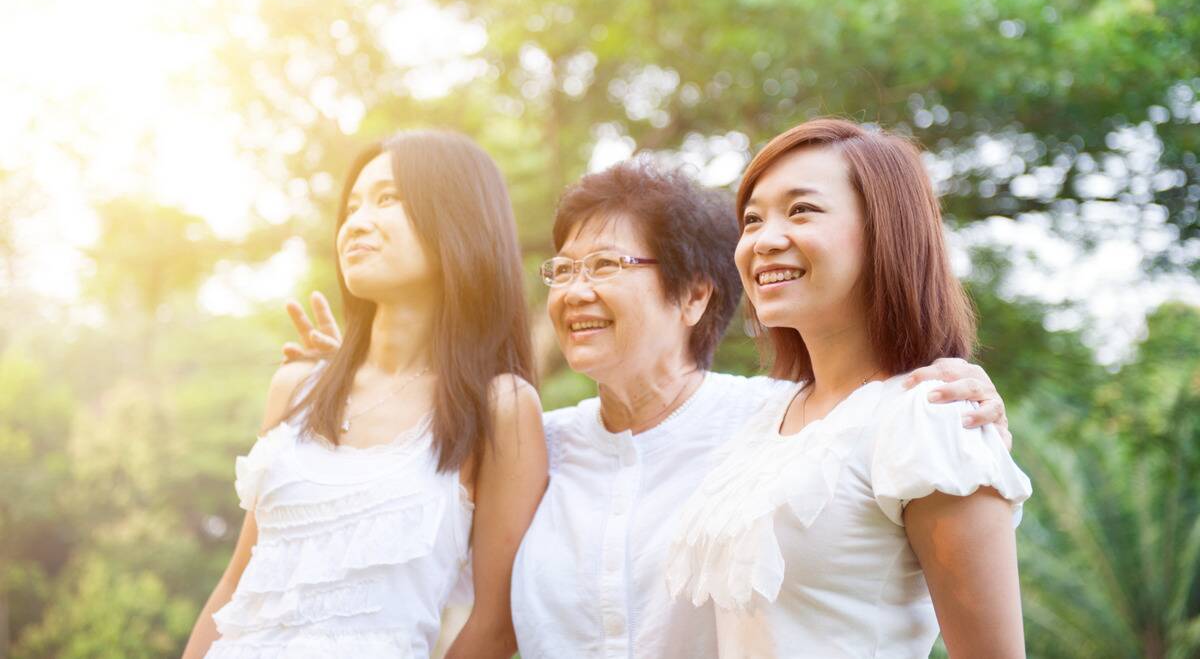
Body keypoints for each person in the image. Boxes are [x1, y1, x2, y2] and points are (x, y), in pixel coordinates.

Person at [284, 159, 1014, 658]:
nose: (573, 292)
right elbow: (386, 524)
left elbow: (882, 436)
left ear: (696, 294)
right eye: (563, 270)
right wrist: (361, 382)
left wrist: (962, 389)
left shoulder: (778, 430)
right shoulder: (529, 444)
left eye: (605, 265)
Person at [667, 118, 1031, 658]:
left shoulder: (932, 417)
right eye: (751, 220)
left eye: (801, 210)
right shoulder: (765, 421)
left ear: (886, 229)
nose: (764, 241)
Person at [182, 130, 547, 658]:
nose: (356, 222)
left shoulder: (500, 409)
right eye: (352, 206)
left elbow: (498, 623)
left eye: (388, 200)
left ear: (458, 222)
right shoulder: (296, 388)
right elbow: (237, 585)